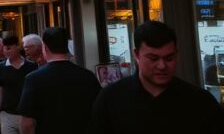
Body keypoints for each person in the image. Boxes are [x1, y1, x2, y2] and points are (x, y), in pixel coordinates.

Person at [90, 21, 224, 133]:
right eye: (153, 58)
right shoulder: (110, 100)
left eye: (169, 58)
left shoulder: (200, 102)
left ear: (177, 54)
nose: (162, 66)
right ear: (136, 55)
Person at [16, 27, 99, 134]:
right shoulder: (88, 76)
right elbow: (99, 112)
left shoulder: (33, 79)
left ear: (45, 48)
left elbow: (27, 123)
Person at [0, 35, 36, 134]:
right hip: (7, 114)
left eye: (8, 48)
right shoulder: (0, 68)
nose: (5, 51)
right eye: (4, 48)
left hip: (27, 114)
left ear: (18, 47)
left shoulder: (31, 66)